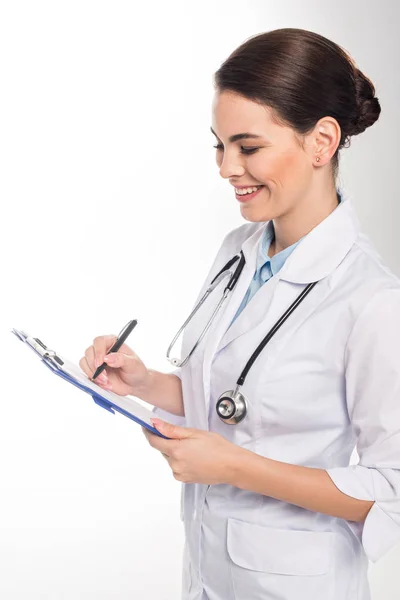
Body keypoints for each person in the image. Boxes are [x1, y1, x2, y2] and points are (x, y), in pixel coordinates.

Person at [79, 28, 400, 600]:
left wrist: (233, 467)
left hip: (299, 584)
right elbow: (232, 399)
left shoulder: (371, 299)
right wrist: (146, 382)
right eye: (219, 145)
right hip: (208, 569)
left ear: (322, 141)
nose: (227, 168)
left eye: (247, 148)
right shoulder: (238, 249)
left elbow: (389, 488)